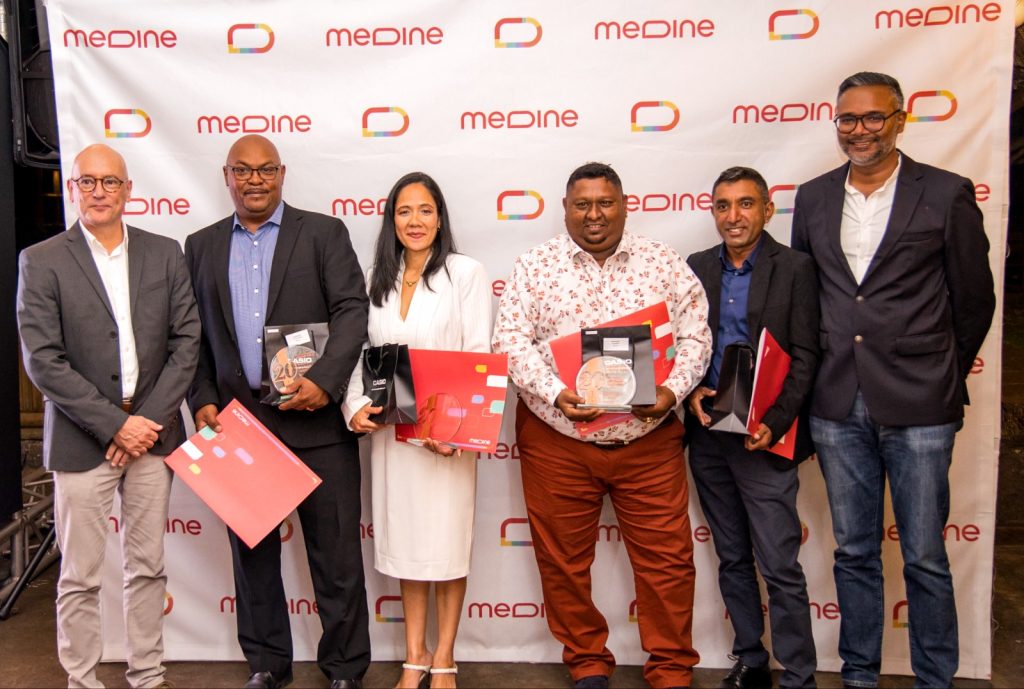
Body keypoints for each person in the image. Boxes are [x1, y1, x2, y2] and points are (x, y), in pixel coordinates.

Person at [791, 72, 996, 689]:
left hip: (921, 403)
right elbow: (806, 296)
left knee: (925, 555)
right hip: (836, 401)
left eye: (873, 117)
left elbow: (974, 300)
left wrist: (940, 371)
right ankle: (860, 674)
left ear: (900, 120)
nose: (860, 130)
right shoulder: (813, 197)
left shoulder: (947, 192)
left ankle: (935, 678)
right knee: (853, 551)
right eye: (848, 119)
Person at [493, 162, 712, 689]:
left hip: (648, 439)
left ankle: (671, 667)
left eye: (605, 203)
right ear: (565, 209)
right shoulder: (535, 266)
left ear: (624, 205)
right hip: (558, 439)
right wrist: (555, 392)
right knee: (563, 561)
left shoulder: (663, 262)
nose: (594, 214)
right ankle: (587, 662)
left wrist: (672, 391)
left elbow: (696, 335)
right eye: (583, 204)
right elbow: (510, 343)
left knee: (668, 561)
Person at [184, 134, 371, 689]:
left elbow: (352, 311)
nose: (255, 180)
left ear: (282, 173)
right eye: (243, 170)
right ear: (227, 176)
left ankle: (345, 670)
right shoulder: (200, 245)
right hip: (239, 427)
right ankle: (266, 665)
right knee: (253, 558)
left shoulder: (323, 233)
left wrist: (325, 382)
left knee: (336, 557)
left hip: (317, 423)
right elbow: (190, 335)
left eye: (265, 169)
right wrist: (202, 399)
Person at [17, 144, 200, 689]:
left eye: (110, 181)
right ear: (73, 189)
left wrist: (144, 422)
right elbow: (43, 360)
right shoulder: (42, 260)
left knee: (148, 567)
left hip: (152, 436)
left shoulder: (164, 253)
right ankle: (81, 679)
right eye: (87, 182)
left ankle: (148, 674)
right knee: (79, 575)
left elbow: (186, 343)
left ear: (128, 190)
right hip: (81, 441)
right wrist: (115, 425)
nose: (99, 191)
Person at [342, 172, 491, 689]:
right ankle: (414, 655)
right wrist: (355, 406)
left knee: (446, 545)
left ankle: (444, 657)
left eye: (425, 210)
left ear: (440, 218)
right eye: (404, 211)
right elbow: (360, 354)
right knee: (408, 545)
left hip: (446, 439)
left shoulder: (466, 273)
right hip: (393, 437)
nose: (415, 221)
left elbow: (478, 354)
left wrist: (460, 431)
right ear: (391, 220)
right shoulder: (374, 278)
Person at [685, 166, 818, 689]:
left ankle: (799, 676)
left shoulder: (795, 268)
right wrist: (692, 391)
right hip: (709, 434)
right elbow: (685, 346)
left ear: (767, 208)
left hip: (765, 437)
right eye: (723, 205)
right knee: (733, 556)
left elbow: (806, 356)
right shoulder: (697, 266)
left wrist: (776, 422)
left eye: (745, 204)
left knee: (779, 564)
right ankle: (751, 659)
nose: (733, 216)